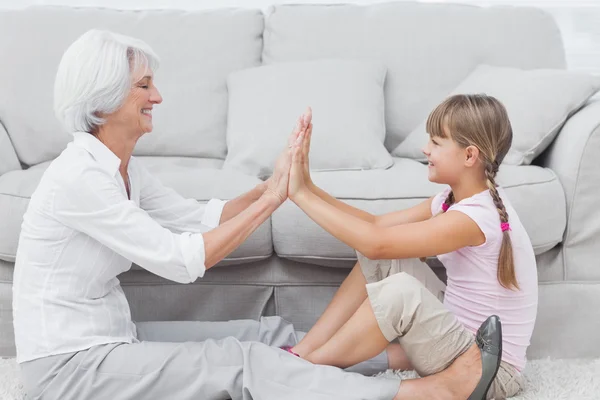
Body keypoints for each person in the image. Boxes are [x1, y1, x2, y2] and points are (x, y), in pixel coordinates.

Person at [13, 29, 501, 400]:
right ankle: (421, 393)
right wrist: (273, 200)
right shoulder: (80, 178)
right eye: (144, 86)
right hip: (68, 369)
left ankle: (393, 362)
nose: (157, 97)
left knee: (266, 334)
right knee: (240, 363)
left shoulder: (122, 169)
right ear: (104, 99)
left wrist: (276, 184)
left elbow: (202, 217)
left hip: (113, 338)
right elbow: (181, 260)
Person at [284, 95, 537, 399]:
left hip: (488, 371)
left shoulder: (473, 218)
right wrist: (308, 187)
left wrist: (299, 196)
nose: (425, 148)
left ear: (469, 156)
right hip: (458, 338)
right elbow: (378, 227)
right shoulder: (451, 199)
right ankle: (302, 353)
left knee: (398, 291)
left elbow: (377, 243)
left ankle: (302, 370)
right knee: (386, 262)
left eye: (437, 142)